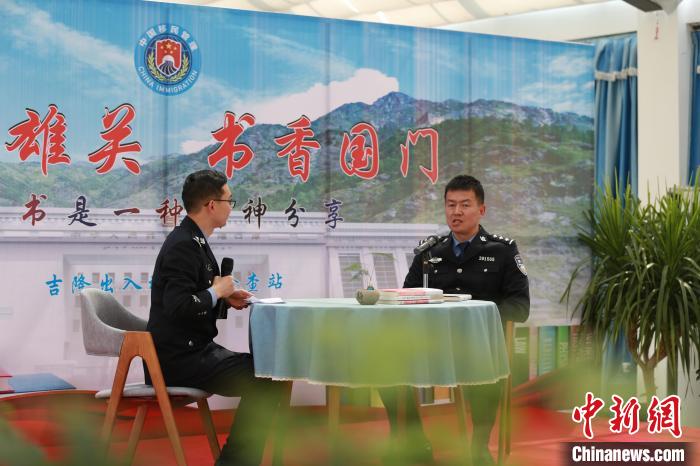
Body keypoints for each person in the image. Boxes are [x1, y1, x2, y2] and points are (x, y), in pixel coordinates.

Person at [379, 174, 530, 465]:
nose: (456, 212)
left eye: (465, 205)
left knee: (486, 362)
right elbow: (407, 297)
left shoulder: (502, 251)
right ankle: (412, 440)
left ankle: (478, 447)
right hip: (431, 344)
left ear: (481, 210)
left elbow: (520, 307)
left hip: (478, 345)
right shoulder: (429, 252)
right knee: (385, 362)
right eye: (450, 205)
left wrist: (477, 315)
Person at [145, 169, 284, 466]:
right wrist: (216, 291)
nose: (231, 207)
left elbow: (194, 297)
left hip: (194, 351)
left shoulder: (193, 240)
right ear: (211, 205)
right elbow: (177, 306)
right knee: (266, 377)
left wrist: (224, 297)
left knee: (269, 372)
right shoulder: (183, 245)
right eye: (229, 201)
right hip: (179, 359)